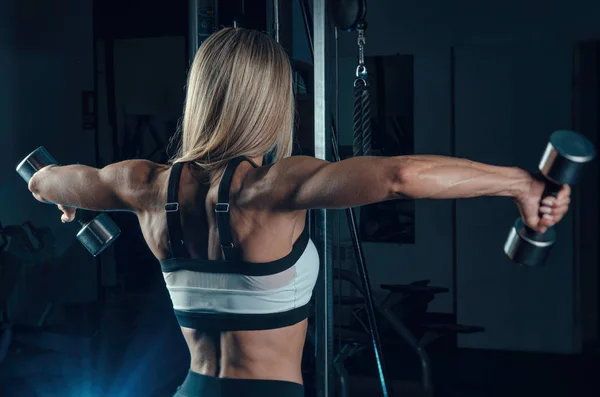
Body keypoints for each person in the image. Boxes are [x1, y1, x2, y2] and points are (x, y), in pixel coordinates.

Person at [26, 28, 570, 397]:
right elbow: (398, 176)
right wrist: (519, 184)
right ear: (270, 101)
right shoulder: (274, 187)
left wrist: (58, 194)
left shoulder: (140, 184)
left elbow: (49, 178)